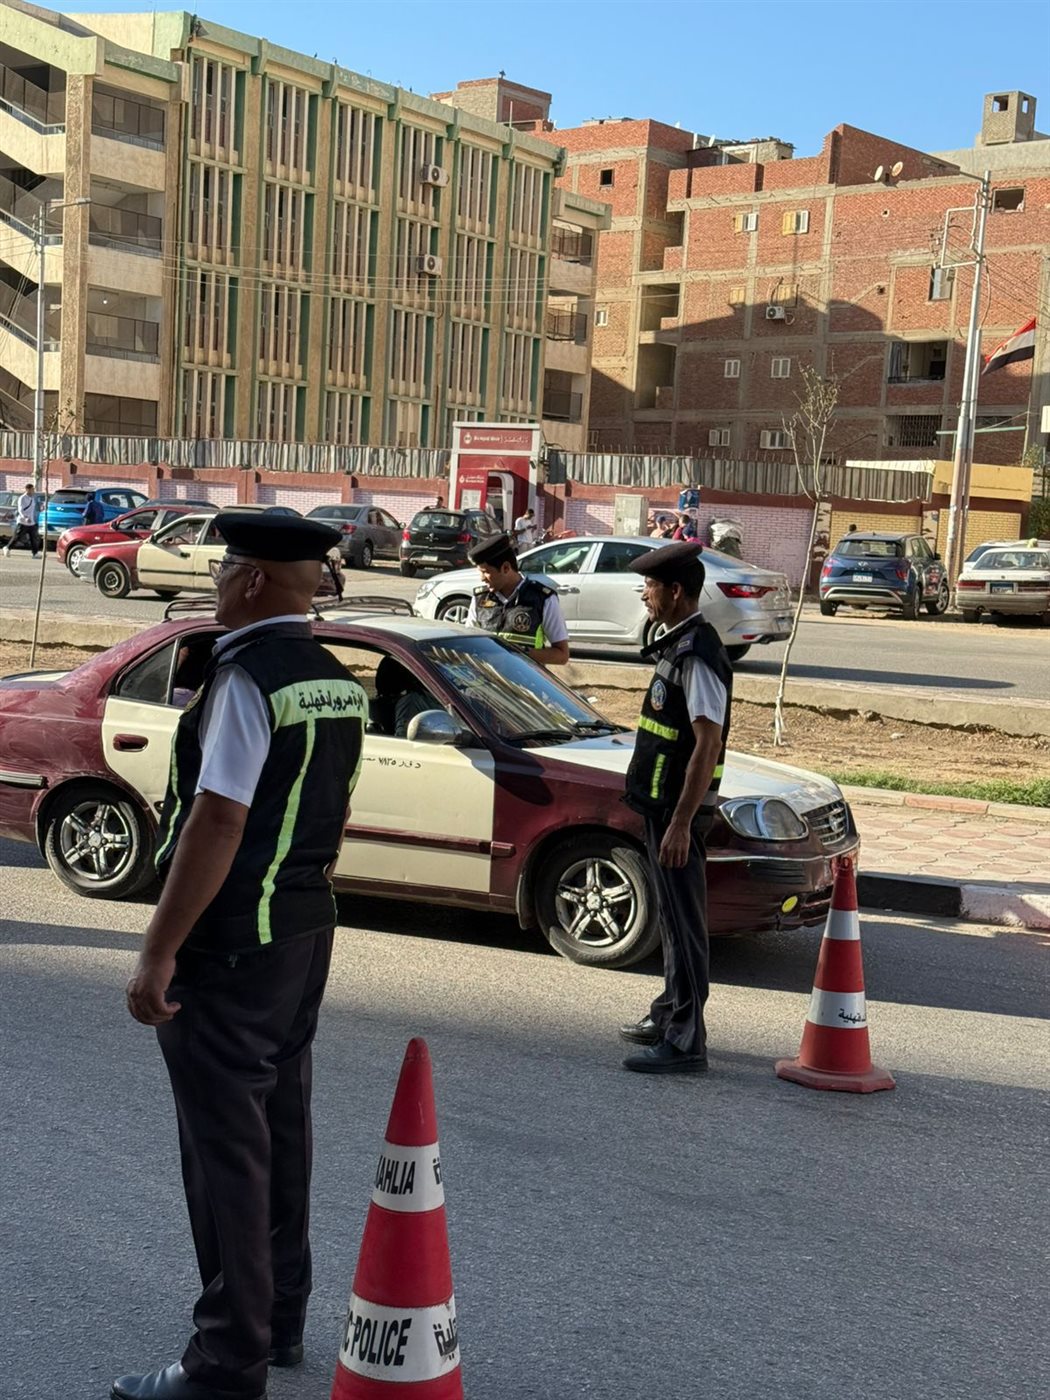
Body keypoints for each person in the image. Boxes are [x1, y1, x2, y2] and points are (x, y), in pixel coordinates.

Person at [114, 513, 368, 1400]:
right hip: (303, 931)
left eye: (224, 566)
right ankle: (279, 1318)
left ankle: (227, 1360)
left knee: (225, 1148)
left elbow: (217, 820)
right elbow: (331, 811)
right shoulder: (336, 680)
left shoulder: (243, 679)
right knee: (281, 1129)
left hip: (229, 943)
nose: (215, 579)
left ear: (254, 580)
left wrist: (158, 951)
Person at [619, 541, 733, 1075]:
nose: (645, 594)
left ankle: (687, 1042)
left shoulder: (698, 655)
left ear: (676, 590)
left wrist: (683, 823)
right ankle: (670, 1013)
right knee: (669, 916)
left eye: (651, 586)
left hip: (678, 813)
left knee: (685, 924)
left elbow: (707, 745)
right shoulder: (675, 643)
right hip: (661, 804)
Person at [465, 533, 570, 666]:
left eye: (486, 572)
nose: (482, 578)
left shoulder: (543, 599)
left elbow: (562, 655)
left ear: (506, 568)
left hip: (525, 678)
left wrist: (516, 654)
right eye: (480, 572)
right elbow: (468, 643)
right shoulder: (479, 599)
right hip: (487, 678)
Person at [3, 483, 41, 557]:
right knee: (18, 537)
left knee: (34, 538)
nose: (33, 491)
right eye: (32, 489)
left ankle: (35, 553)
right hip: (23, 522)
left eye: (33, 489)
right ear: (27, 489)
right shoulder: (22, 498)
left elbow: (32, 509)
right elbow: (21, 510)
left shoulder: (32, 498)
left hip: (31, 522)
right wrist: (25, 517)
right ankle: (7, 547)